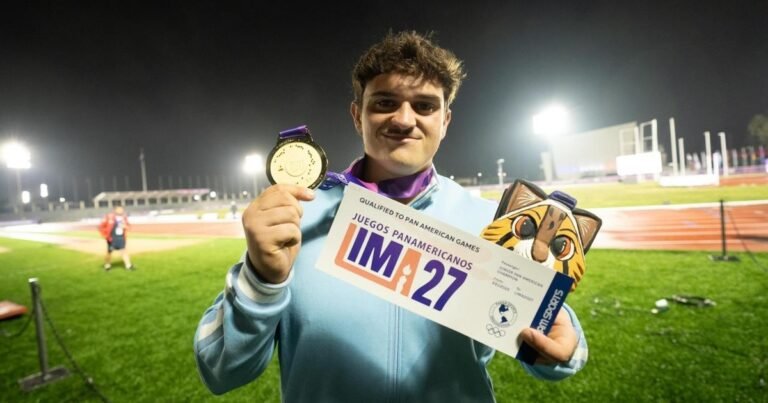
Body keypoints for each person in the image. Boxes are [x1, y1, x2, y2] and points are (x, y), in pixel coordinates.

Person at [194, 31, 588, 402]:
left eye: (424, 105)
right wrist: (260, 280)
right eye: (384, 102)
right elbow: (221, 372)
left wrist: (562, 337)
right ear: (357, 115)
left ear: (445, 121)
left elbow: (549, 355)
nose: (403, 119)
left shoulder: (491, 224)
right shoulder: (295, 220)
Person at [98, 206, 134, 271]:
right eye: (119, 209)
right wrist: (105, 236)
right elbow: (101, 226)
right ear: (115, 210)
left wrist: (125, 227)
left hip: (121, 237)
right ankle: (107, 265)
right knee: (109, 252)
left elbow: (129, 226)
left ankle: (128, 266)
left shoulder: (124, 218)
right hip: (112, 238)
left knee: (124, 251)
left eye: (121, 209)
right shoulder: (109, 217)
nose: (121, 211)